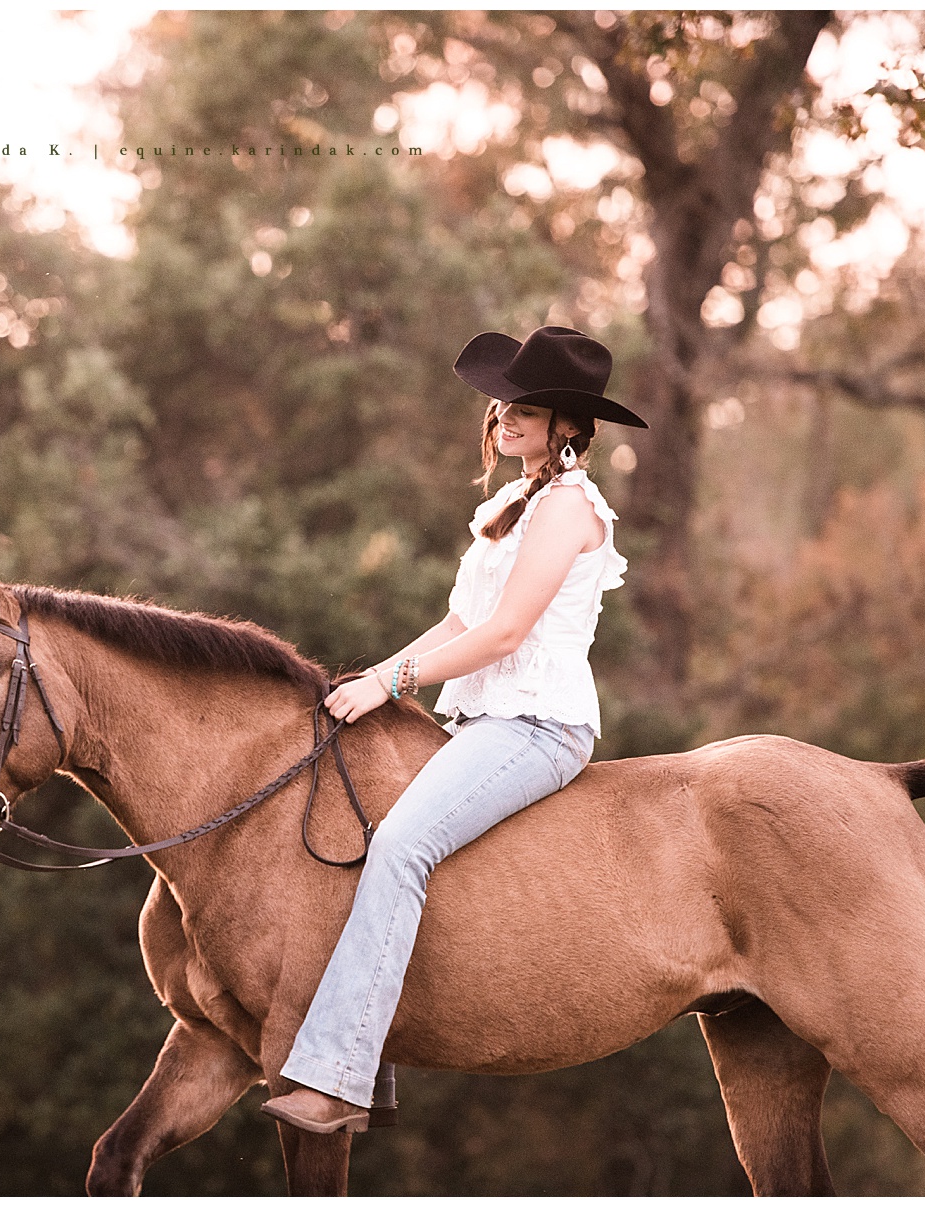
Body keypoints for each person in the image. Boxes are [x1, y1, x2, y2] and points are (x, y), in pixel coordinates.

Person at [260, 325, 649, 1134]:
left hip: (539, 723)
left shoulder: (572, 508)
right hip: (480, 717)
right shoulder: (516, 501)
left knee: (402, 844)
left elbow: (505, 634)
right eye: (504, 400)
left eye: (527, 407)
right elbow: (457, 620)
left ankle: (338, 1078)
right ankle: (375, 1044)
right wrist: (371, 679)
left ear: (569, 426)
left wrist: (394, 684)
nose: (504, 415)